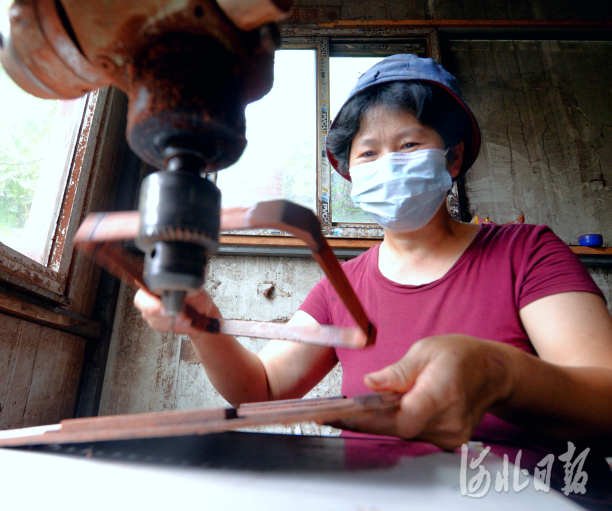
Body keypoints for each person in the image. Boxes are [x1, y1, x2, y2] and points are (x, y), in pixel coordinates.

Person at [134, 54, 612, 455]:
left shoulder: (526, 254)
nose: (388, 165)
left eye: (409, 145)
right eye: (368, 153)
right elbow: (262, 389)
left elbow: (604, 403)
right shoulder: (342, 286)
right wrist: (203, 322)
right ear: (350, 175)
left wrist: (497, 374)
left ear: (452, 157)